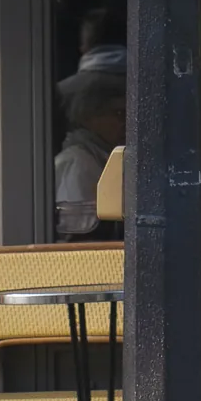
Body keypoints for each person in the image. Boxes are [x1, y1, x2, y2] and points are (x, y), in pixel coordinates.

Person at [53, 19, 125, 240]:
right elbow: (81, 234)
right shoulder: (78, 162)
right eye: (118, 114)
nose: (126, 123)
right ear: (89, 115)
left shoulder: (102, 154)